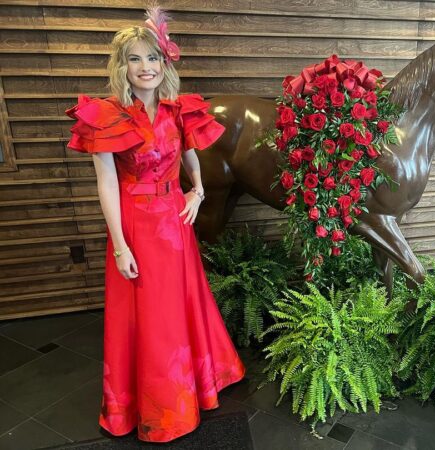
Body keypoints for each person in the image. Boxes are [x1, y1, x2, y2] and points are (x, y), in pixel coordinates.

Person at [65, 6, 245, 443]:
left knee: (181, 306)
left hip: (174, 221)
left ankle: (197, 387)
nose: (146, 68)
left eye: (153, 58)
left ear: (165, 63)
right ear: (121, 66)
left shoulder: (177, 109)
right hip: (136, 226)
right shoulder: (105, 114)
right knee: (150, 317)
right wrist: (120, 245)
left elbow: (189, 152)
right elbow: (106, 185)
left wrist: (197, 190)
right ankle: (161, 410)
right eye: (136, 59)